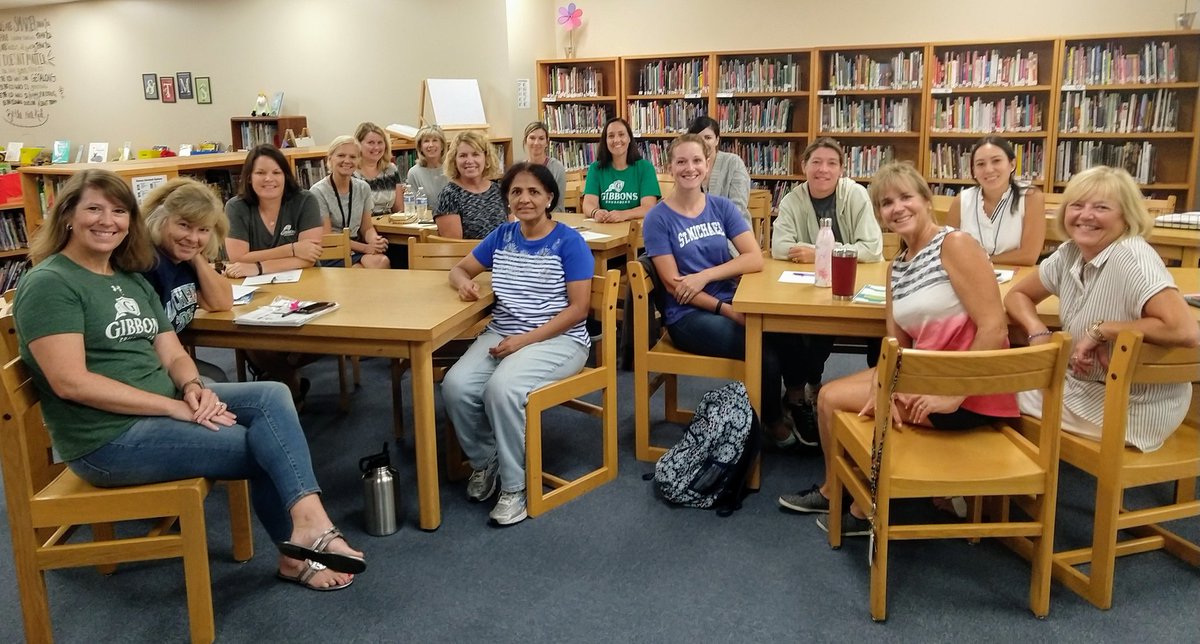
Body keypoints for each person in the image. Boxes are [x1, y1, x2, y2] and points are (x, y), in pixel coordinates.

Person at [13, 169, 366, 591]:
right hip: (106, 439)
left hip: (160, 407)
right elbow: (72, 383)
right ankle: (302, 542)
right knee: (262, 445)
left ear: (131, 221)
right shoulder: (51, 283)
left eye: (118, 211)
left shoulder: (124, 276)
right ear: (67, 214)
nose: (107, 220)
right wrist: (174, 406)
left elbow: (172, 351)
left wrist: (193, 388)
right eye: (94, 209)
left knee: (272, 395)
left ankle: (308, 526)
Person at [777, 162, 1018, 535]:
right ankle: (842, 491)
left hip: (967, 390)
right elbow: (896, 346)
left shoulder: (954, 244)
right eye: (887, 203)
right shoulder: (897, 268)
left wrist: (953, 393)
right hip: (921, 377)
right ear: (879, 215)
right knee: (828, 398)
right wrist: (886, 386)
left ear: (926, 200)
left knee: (838, 401)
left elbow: (993, 326)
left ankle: (861, 504)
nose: (898, 208)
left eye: (906, 197)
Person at [1006, 166, 1199, 453]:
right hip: (1091, 387)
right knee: (999, 381)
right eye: (1077, 205)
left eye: (1101, 207)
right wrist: (1037, 331)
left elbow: (1185, 330)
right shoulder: (1070, 252)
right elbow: (1018, 295)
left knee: (989, 393)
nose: (1085, 215)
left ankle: (1023, 490)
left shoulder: (1130, 257)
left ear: (1126, 216)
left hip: (1133, 407)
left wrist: (1103, 330)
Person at [441, 162, 593, 526]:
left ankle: (515, 487)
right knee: (455, 385)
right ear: (507, 198)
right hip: (504, 333)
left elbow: (578, 310)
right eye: (516, 192)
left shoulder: (569, 242)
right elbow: (458, 269)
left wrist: (524, 341)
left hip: (560, 339)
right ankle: (484, 459)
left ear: (549, 197)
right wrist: (463, 282)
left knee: (502, 389)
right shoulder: (502, 236)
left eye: (534, 192)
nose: (524, 199)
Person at [641, 134, 799, 446]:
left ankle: (791, 401)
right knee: (763, 350)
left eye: (697, 160)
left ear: (708, 163)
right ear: (669, 167)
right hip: (688, 314)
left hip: (729, 299)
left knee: (790, 332)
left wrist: (705, 276)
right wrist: (726, 310)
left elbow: (754, 258)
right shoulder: (657, 218)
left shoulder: (721, 207)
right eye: (681, 161)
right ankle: (771, 421)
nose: (690, 168)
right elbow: (675, 285)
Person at [771, 137, 884, 434]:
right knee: (787, 323)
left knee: (882, 330)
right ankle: (798, 394)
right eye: (816, 162)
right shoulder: (792, 199)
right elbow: (780, 246)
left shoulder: (856, 195)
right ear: (804, 165)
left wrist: (818, 252)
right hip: (809, 287)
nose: (823, 169)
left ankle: (875, 397)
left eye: (831, 163)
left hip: (857, 287)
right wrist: (828, 253)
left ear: (842, 169)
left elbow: (872, 249)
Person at [223, 145, 324, 400]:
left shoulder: (304, 200)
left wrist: (256, 265)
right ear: (248, 177)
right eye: (260, 173)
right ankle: (290, 382)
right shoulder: (236, 207)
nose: (269, 179)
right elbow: (236, 257)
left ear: (285, 175)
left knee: (326, 334)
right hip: (256, 292)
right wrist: (292, 248)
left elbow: (309, 257)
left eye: (276, 172)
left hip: (306, 285)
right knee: (249, 334)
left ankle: (278, 375)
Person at [141, 177, 233, 382]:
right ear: (159, 220)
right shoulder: (147, 264)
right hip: (146, 368)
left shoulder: (183, 260)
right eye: (184, 225)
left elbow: (221, 302)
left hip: (171, 360)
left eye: (203, 229)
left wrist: (196, 257)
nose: (193, 237)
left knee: (217, 378)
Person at [946, 135, 1046, 265]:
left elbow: (1029, 256)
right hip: (970, 278)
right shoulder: (961, 201)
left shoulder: (1030, 197)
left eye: (996, 161)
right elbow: (948, 251)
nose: (988, 169)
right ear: (973, 170)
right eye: (980, 164)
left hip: (1016, 279)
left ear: (1012, 164)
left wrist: (980, 260)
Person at [310, 135, 390, 268]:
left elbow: (367, 227)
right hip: (331, 250)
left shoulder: (363, 187)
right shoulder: (318, 192)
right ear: (330, 158)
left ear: (358, 160)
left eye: (352, 157)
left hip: (355, 247)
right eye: (341, 156)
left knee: (382, 261)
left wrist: (375, 241)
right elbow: (328, 237)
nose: (347, 161)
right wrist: (366, 248)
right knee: (358, 270)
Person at [582, 117, 660, 222]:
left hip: (635, 230)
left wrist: (624, 214)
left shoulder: (645, 168)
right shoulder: (596, 168)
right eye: (611, 136)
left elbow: (649, 207)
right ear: (605, 141)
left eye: (621, 134)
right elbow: (588, 204)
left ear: (629, 138)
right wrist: (595, 212)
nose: (616, 140)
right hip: (606, 228)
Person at [434, 130, 507, 240]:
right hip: (469, 256)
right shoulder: (450, 195)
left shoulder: (499, 190)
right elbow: (454, 248)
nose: (469, 161)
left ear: (486, 158)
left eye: (475, 154)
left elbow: (513, 234)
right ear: (455, 160)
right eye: (463, 156)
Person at [686, 115, 751, 225]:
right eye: (697, 138)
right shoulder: (688, 167)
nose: (703, 143)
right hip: (697, 231)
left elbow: (738, 208)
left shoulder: (733, 163)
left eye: (708, 138)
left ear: (717, 140)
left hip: (733, 230)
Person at [354, 121, 404, 215]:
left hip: (389, 226)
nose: (376, 147)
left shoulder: (391, 170)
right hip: (363, 227)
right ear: (358, 145)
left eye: (380, 142)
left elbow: (399, 209)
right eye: (371, 143)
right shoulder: (352, 174)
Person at [522, 121, 567, 210]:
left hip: (552, 218)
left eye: (541, 138)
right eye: (532, 138)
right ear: (525, 141)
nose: (536, 143)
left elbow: (558, 205)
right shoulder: (520, 171)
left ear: (547, 142)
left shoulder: (557, 168)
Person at [406, 124, 450, 215]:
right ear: (420, 147)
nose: (431, 145)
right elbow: (414, 206)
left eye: (435, 140)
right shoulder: (414, 173)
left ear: (442, 146)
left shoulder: (452, 168)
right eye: (426, 141)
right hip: (425, 220)